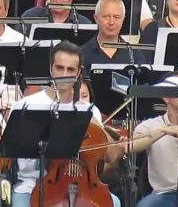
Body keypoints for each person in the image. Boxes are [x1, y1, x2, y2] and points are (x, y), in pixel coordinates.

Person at [11, 40, 122, 207]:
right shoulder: (27, 104)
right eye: (59, 68)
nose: (64, 74)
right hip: (31, 184)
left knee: (114, 202)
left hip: (80, 184)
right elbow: (16, 151)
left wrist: (91, 120)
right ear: (51, 68)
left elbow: (109, 155)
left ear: (78, 73)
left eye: (70, 69)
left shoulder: (89, 110)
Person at [132, 72, 178, 207]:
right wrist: (163, 131)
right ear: (166, 97)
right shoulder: (150, 125)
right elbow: (131, 147)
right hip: (164, 194)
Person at [81, 0, 145, 72]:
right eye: (106, 17)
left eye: (116, 17)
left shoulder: (135, 55)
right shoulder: (82, 54)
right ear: (96, 18)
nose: (111, 22)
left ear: (123, 19)